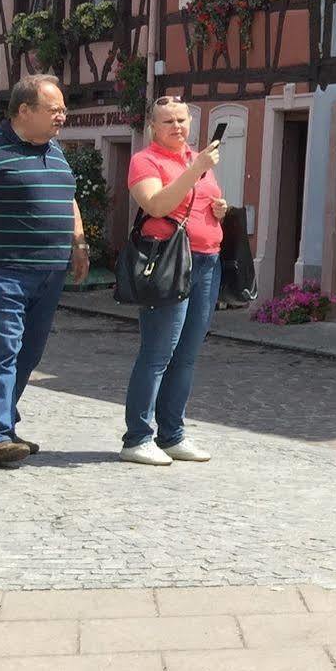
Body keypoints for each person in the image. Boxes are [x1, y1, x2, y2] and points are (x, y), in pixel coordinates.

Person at [0, 76, 89, 467]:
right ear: (24, 110)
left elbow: (68, 198)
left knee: (29, 352)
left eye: (62, 108)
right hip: (2, 270)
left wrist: (79, 244)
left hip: (50, 271)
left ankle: (4, 424)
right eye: (54, 108)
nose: (63, 115)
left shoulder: (55, 151)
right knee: (2, 350)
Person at [120, 96, 224, 466]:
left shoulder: (196, 161)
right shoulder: (145, 161)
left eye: (182, 120)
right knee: (158, 353)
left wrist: (218, 210)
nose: (178, 127)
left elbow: (200, 201)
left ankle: (172, 434)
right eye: (168, 122)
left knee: (187, 356)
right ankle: (137, 437)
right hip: (168, 263)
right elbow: (158, 205)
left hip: (207, 262)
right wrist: (195, 170)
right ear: (153, 127)